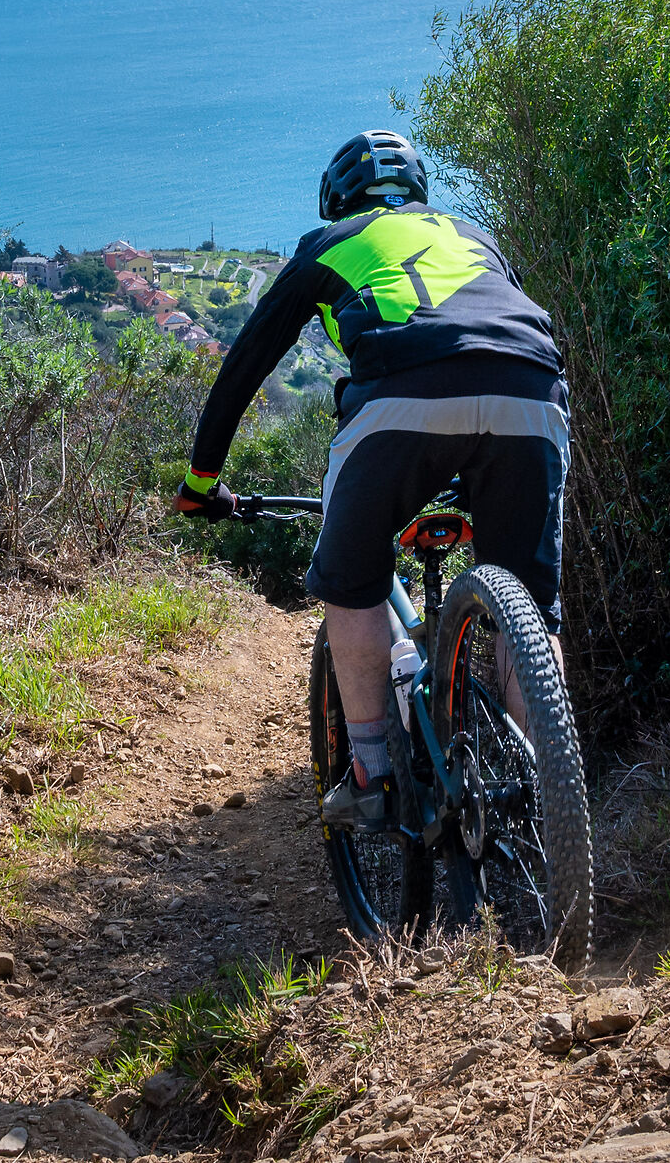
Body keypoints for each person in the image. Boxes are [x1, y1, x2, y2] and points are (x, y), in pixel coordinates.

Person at [172, 130, 570, 825]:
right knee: (528, 605)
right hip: (531, 391)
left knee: (353, 576)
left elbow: (244, 368)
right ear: (417, 195)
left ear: (338, 200)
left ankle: (369, 773)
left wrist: (202, 480)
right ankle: (550, 794)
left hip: (400, 398)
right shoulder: (474, 236)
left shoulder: (326, 245)